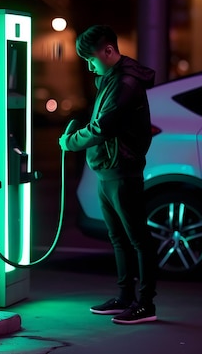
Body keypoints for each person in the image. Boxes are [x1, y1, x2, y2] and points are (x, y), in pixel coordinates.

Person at [59, 24, 158, 325]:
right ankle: (125, 296)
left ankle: (145, 304)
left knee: (137, 237)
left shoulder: (126, 82)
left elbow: (104, 126)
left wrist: (70, 142)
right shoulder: (112, 78)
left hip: (122, 168)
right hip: (109, 167)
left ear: (109, 51)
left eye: (91, 59)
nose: (90, 67)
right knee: (119, 236)